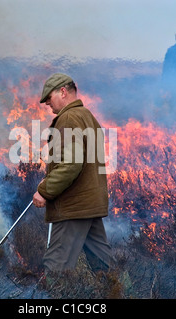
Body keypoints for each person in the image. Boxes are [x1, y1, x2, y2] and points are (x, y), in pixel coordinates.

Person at [32, 73, 113, 274]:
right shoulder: (87, 116)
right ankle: (126, 294)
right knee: (106, 270)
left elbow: (71, 164)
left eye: (49, 98)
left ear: (63, 91)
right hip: (89, 204)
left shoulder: (68, 118)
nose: (47, 103)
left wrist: (45, 191)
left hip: (73, 207)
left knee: (56, 268)